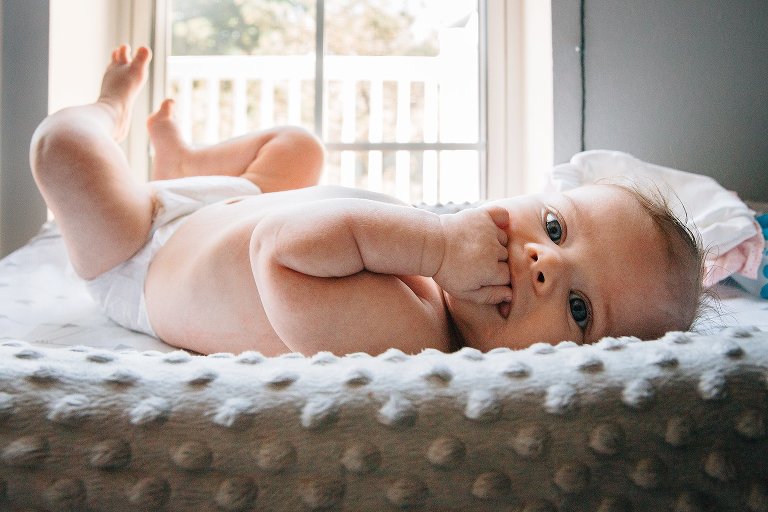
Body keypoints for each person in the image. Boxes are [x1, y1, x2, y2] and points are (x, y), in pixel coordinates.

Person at [30, 45, 705, 356]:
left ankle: (108, 108)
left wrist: (437, 245)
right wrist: (438, 245)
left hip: (143, 259)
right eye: (556, 227)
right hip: (223, 206)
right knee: (300, 148)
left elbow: (280, 253)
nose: (544, 263)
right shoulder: (443, 278)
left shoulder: (408, 333)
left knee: (63, 149)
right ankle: (182, 166)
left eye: (579, 309)